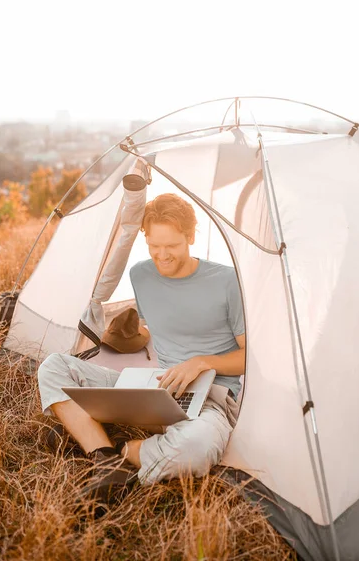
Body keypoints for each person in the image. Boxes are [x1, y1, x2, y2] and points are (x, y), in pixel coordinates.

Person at [38, 193, 245, 498]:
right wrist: (128, 336)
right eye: (154, 246)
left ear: (190, 237)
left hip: (210, 397)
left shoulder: (228, 281)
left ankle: (118, 446)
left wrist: (202, 362)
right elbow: (163, 324)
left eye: (172, 246)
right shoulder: (141, 274)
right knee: (53, 367)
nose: (162, 256)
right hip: (158, 387)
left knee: (196, 448)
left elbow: (249, 356)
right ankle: (107, 464)